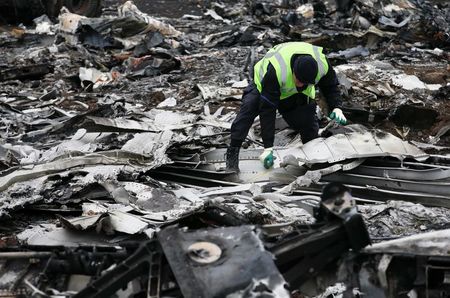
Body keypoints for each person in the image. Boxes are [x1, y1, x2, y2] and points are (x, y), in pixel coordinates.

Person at [226, 41, 346, 171]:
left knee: (308, 122)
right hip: (263, 88)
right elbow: (268, 110)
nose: (301, 85)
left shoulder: (323, 65)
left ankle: (313, 158)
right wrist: (268, 148)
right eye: (299, 80)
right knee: (247, 111)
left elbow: (330, 87)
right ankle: (232, 156)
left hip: (292, 94)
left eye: (305, 82)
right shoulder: (277, 70)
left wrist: (337, 107)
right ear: (293, 70)